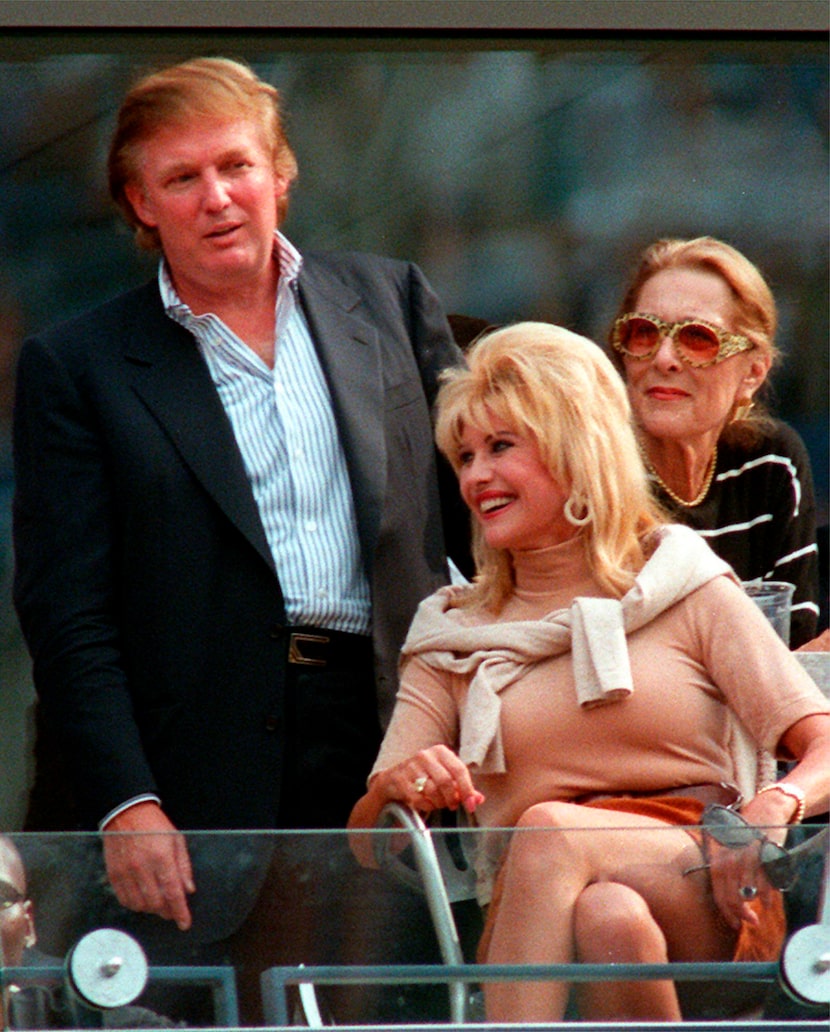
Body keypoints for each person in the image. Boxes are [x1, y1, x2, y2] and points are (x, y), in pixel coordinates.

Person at [12, 56, 467, 1018]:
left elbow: (491, 517)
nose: (218, 198)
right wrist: (126, 804)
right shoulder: (78, 367)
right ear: (140, 204)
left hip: (389, 731)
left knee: (389, 1007)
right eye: (183, 179)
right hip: (190, 764)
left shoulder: (390, 305)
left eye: (237, 166)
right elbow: (68, 616)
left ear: (281, 174)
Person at [348, 322, 830, 1024]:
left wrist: (772, 808)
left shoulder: (680, 578)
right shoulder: (453, 629)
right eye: (465, 455)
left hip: (705, 881)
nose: (476, 476)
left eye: (502, 447)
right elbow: (368, 840)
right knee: (609, 916)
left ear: (576, 448)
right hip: (533, 910)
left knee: (548, 833)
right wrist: (399, 786)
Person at [608, 236, 820, 647]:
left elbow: (794, 649)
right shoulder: (596, 473)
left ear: (753, 373)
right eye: (643, 333)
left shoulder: (771, 462)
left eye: (698, 339)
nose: (664, 358)